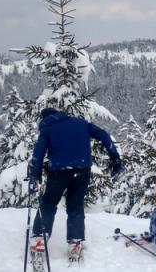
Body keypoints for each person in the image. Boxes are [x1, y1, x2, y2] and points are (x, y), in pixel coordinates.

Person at [28, 107, 122, 260]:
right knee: (75, 205)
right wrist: (115, 157)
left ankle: (39, 240)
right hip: (83, 170)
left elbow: (38, 154)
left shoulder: (47, 128)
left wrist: (35, 175)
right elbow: (104, 135)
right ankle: (75, 243)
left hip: (59, 171)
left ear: (45, 118)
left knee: (49, 203)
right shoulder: (81, 123)